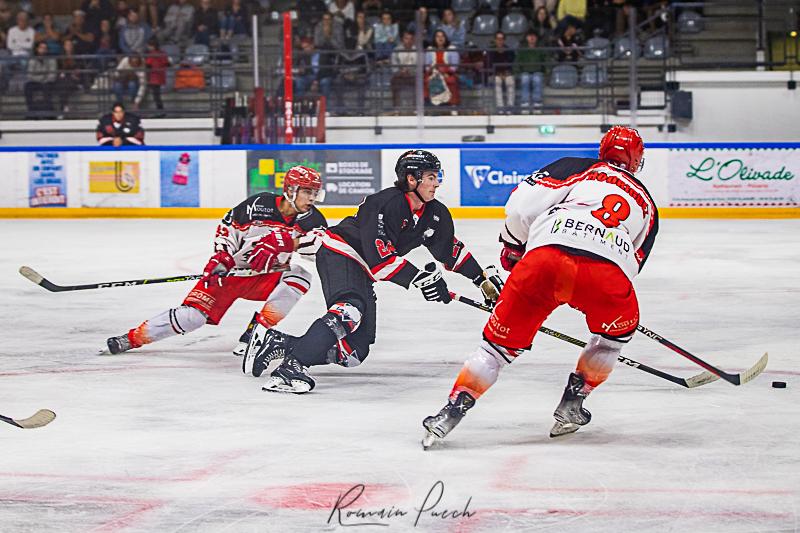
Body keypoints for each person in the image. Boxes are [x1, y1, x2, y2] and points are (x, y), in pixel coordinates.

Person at [421, 126, 659, 447]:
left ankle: (452, 409)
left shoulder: (574, 167)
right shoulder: (647, 201)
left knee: (495, 349)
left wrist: (514, 250)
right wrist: (590, 296)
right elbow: (634, 262)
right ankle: (574, 403)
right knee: (610, 340)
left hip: (544, 259)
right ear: (637, 160)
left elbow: (521, 208)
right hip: (606, 274)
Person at [242, 150, 504, 394]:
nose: (437, 183)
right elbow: (380, 261)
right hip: (339, 251)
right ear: (411, 179)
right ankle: (290, 370)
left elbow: (449, 251)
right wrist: (422, 280)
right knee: (349, 309)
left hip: (363, 269)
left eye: (438, 177)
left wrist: (481, 279)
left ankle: (278, 343)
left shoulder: (434, 214)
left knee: (355, 351)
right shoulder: (383, 204)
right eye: (431, 177)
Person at [105, 166, 328, 355]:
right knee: (192, 317)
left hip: (266, 277)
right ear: (290, 190)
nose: (312, 198)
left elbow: (319, 247)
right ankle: (132, 338)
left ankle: (257, 331)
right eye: (307, 191)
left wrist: (290, 243)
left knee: (300, 276)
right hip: (230, 274)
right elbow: (227, 229)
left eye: (315, 192)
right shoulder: (258, 205)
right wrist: (222, 256)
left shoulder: (313, 219)